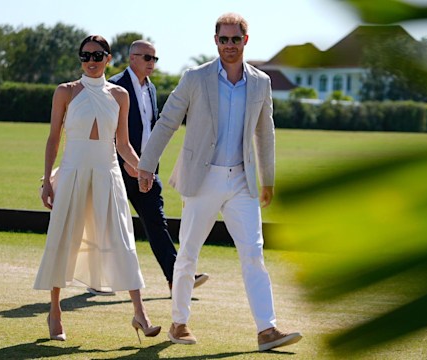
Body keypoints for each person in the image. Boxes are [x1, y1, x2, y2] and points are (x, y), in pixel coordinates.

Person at [137, 13, 302, 351]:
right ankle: (179, 323)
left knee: (254, 254)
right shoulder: (195, 78)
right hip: (202, 178)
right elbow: (167, 121)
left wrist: (267, 180)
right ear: (216, 41)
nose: (230, 45)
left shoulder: (261, 82)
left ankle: (266, 330)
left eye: (235, 39)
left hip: (242, 181)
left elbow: (265, 133)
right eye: (224, 39)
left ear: (246, 40)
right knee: (188, 255)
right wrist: (146, 166)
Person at [34, 35, 161, 343]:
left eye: (97, 55)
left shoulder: (119, 95)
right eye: (85, 55)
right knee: (63, 237)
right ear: (81, 58)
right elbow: (54, 138)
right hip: (73, 172)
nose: (91, 61)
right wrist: (46, 180)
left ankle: (140, 314)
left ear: (108, 58)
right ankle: (55, 312)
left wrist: (142, 170)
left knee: (122, 239)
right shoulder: (65, 91)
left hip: (108, 174)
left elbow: (123, 144)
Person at [85, 40, 208, 297]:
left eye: (155, 59)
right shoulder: (115, 86)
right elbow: (105, 132)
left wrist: (145, 165)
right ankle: (97, 279)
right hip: (116, 167)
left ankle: (176, 279)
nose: (152, 63)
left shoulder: (150, 88)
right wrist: (128, 163)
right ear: (132, 58)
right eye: (147, 58)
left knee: (156, 220)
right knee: (109, 223)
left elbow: (152, 129)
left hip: (145, 169)